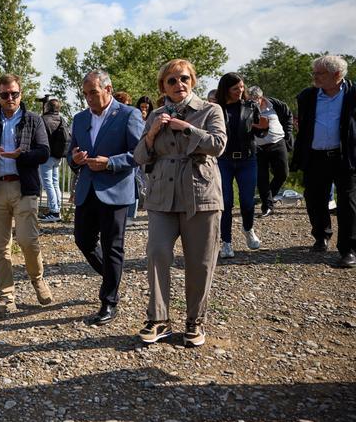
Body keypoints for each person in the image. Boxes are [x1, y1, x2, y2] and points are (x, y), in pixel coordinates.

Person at [134, 58, 227, 347]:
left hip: (200, 193)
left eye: (184, 78)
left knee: (200, 261)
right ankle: (159, 318)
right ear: (163, 86)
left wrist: (186, 128)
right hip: (162, 195)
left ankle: (195, 321)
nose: (179, 85)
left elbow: (218, 145)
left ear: (193, 81)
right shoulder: (155, 115)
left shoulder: (211, 109)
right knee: (158, 253)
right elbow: (139, 156)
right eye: (171, 81)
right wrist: (151, 134)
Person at [0, 74, 53, 319]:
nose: (9, 98)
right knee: (0, 248)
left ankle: (37, 280)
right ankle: (7, 297)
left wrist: (21, 156)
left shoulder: (33, 121)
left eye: (14, 94)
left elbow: (44, 152)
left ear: (21, 94)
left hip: (24, 188)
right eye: (5, 94)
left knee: (28, 241)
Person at [68, 71, 144, 325]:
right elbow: (71, 156)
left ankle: (109, 301)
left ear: (108, 90)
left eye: (93, 92)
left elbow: (139, 154)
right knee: (83, 240)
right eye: (85, 94)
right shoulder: (79, 119)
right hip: (87, 190)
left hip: (116, 190)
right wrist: (76, 160)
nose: (89, 98)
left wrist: (110, 163)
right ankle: (112, 278)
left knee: (113, 247)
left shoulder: (129, 115)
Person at [291, 55, 356, 269]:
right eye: (315, 72)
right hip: (316, 156)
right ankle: (321, 236)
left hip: (345, 157)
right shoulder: (307, 97)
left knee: (348, 203)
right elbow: (304, 128)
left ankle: (348, 250)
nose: (314, 77)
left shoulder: (354, 94)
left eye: (320, 73)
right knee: (314, 199)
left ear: (337, 75)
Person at [217, 73, 267, 258]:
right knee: (226, 202)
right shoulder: (216, 108)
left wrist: (264, 128)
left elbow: (259, 133)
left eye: (242, 87)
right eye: (235, 88)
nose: (240, 91)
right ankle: (226, 242)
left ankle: (248, 229)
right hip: (223, 160)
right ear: (226, 90)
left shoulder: (251, 105)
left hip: (248, 159)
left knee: (247, 201)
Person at [248, 86, 294, 218]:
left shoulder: (274, 104)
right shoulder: (246, 108)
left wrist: (288, 134)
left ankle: (268, 197)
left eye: (255, 99)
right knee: (262, 177)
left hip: (278, 142)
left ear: (261, 97)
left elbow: (287, 115)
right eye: (250, 99)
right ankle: (267, 206)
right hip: (258, 147)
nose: (253, 101)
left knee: (282, 173)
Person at [38, 97, 69, 223]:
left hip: (46, 156)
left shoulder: (43, 119)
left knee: (48, 184)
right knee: (55, 183)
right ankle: (57, 209)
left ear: (47, 107)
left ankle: (54, 211)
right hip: (58, 156)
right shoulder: (62, 119)